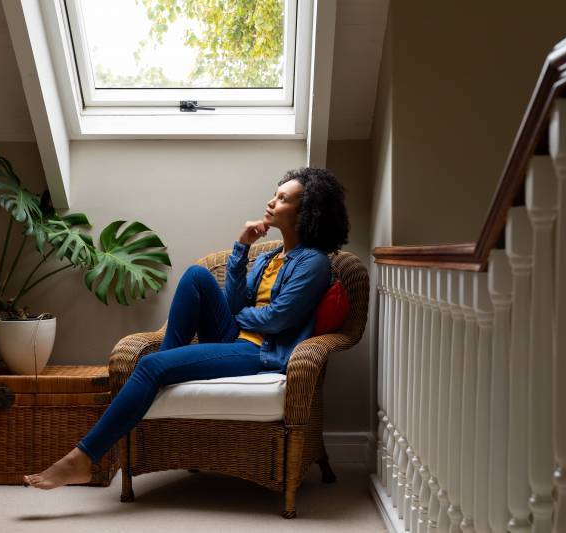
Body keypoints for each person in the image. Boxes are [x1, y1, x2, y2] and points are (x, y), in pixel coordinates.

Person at [23, 167, 350, 489]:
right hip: (235, 338)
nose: (271, 201)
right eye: (275, 194)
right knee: (197, 276)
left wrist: (238, 320)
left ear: (305, 211)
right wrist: (241, 248)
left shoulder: (313, 262)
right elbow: (234, 303)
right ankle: (167, 368)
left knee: (150, 365)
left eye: (282, 198)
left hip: (261, 351)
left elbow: (278, 318)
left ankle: (81, 459)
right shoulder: (271, 258)